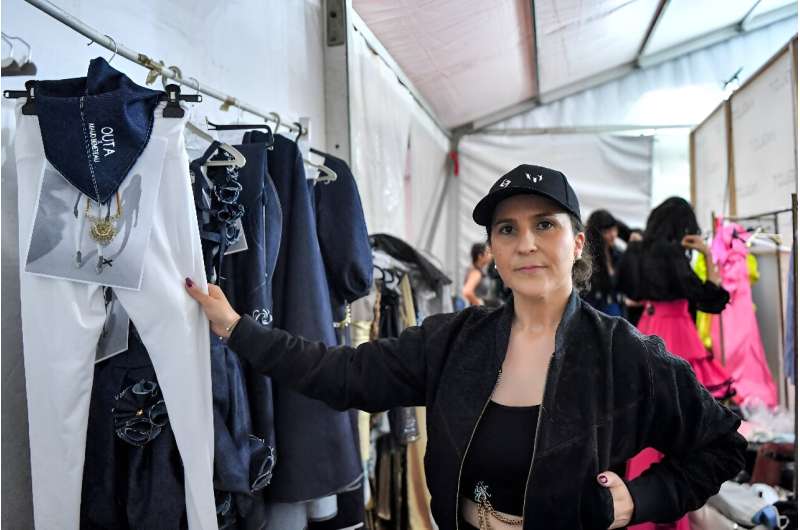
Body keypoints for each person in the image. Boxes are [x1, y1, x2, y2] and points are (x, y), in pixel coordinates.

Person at [186, 165, 746, 530]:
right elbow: (341, 374)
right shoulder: (454, 339)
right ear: (493, 252)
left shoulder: (625, 354)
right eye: (506, 230)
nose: (524, 243)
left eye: (544, 225)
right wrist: (237, 328)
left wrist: (640, 501)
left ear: (576, 243)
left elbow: (723, 446)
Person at [617, 196, 736, 530]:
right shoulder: (673, 255)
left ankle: (637, 506)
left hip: (645, 329)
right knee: (683, 428)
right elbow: (713, 299)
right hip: (677, 333)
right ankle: (671, 514)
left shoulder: (638, 251)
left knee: (646, 425)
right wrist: (707, 254)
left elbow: (627, 290)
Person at [582, 210, 625, 317]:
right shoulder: (587, 257)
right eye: (607, 231)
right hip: (595, 312)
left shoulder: (617, 254)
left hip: (617, 311)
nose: (613, 235)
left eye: (614, 229)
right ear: (597, 233)